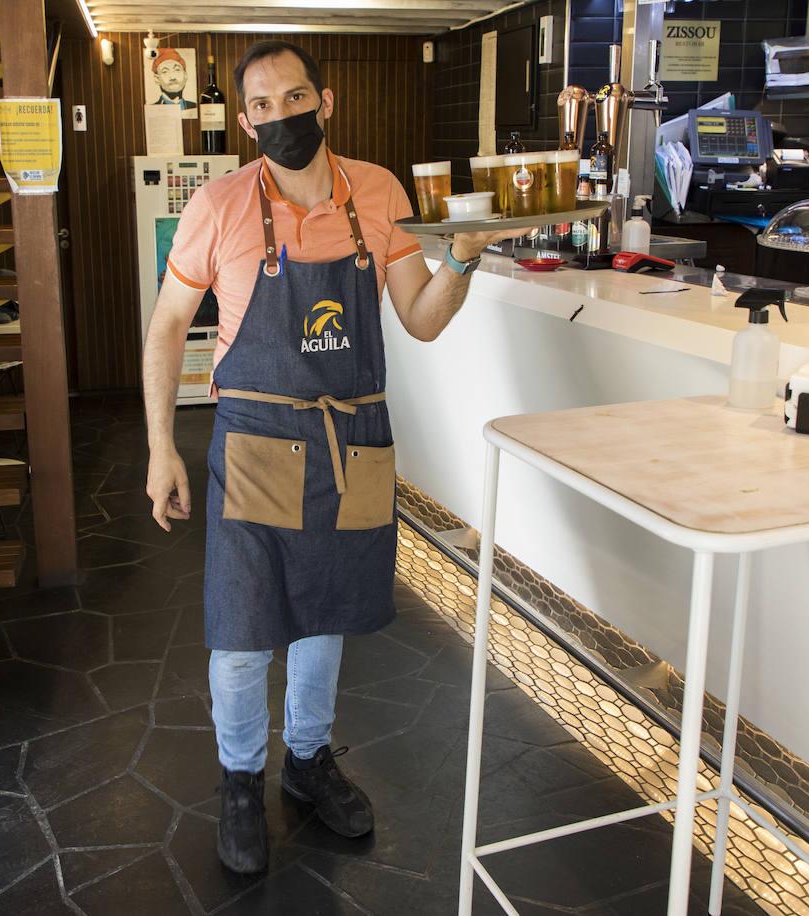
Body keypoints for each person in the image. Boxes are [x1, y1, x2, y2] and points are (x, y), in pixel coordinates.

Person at [142, 40, 528, 874]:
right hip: (254, 441)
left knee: (328, 615)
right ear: (246, 121)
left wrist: (463, 257)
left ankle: (308, 761)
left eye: (295, 97)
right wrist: (158, 447)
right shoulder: (218, 205)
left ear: (327, 99)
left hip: (353, 438)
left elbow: (421, 320)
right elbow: (169, 324)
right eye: (263, 105)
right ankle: (241, 781)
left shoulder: (379, 192)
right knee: (243, 631)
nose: (282, 115)